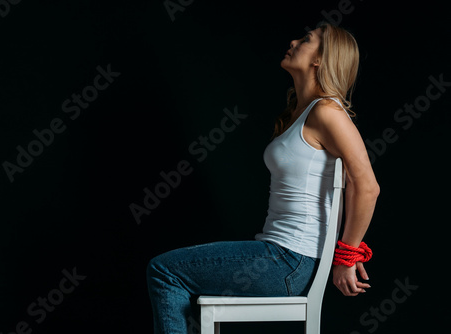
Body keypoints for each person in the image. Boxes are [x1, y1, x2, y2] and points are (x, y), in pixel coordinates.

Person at [146, 23, 380, 333]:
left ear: (320, 60)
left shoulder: (326, 112)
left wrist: (347, 256)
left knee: (165, 271)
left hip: (287, 261)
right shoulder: (303, 112)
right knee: (171, 271)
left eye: (307, 39)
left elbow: (366, 185)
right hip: (281, 257)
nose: (294, 41)